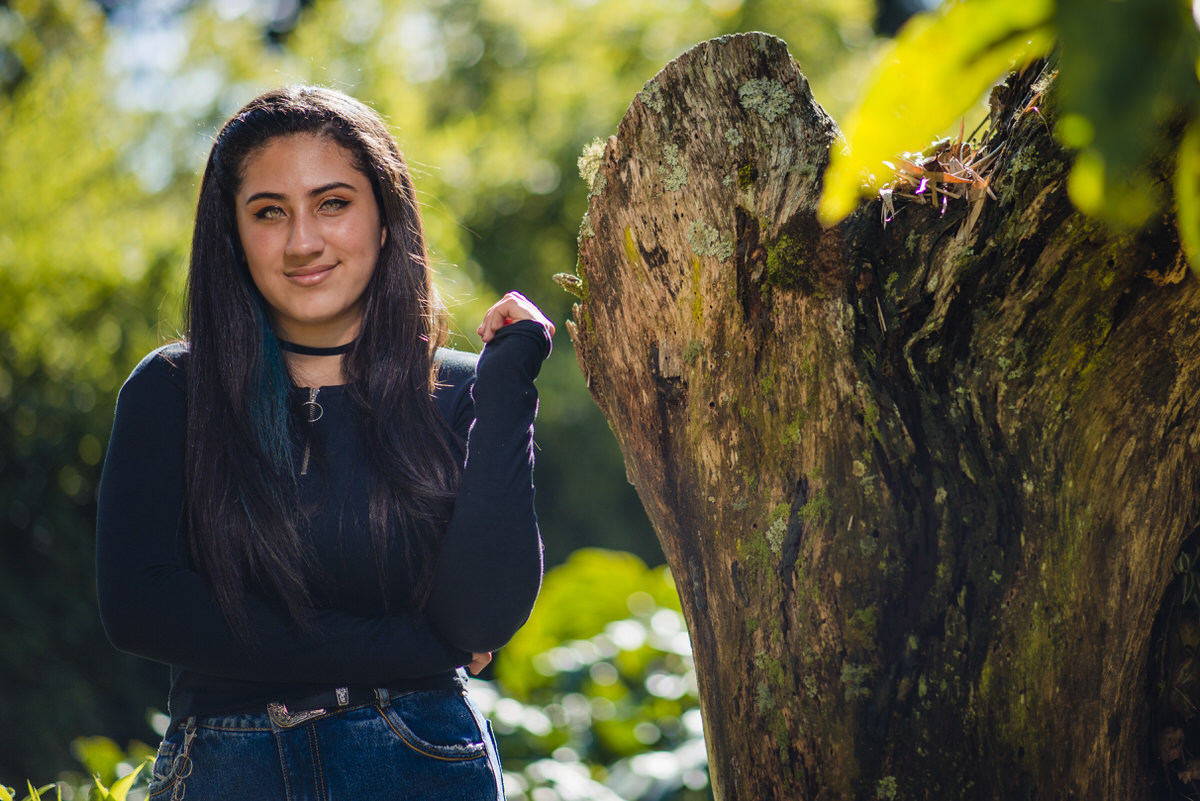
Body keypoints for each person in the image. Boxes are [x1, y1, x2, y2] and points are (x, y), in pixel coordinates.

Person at [95, 85, 554, 801]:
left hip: (422, 762)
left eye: (332, 203)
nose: (302, 240)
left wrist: (510, 385)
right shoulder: (172, 392)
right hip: (226, 769)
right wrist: (410, 647)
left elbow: (482, 618)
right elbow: (140, 608)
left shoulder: (464, 391)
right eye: (269, 212)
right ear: (233, 235)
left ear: (383, 217)